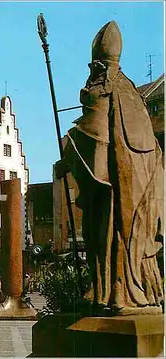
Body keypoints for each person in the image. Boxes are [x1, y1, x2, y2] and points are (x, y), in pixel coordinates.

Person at [56, 21, 164, 314]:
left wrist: (66, 160)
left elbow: (94, 141)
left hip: (115, 195)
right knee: (133, 242)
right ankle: (138, 291)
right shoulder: (133, 95)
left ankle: (111, 292)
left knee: (101, 232)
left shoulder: (100, 88)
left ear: (98, 64)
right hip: (143, 193)